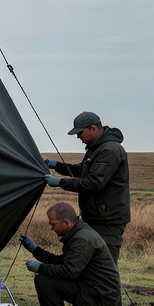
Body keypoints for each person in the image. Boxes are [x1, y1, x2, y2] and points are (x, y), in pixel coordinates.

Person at [20, 202, 123, 306]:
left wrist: (40, 267)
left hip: (99, 295)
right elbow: (61, 262)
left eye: (53, 224)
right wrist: (35, 250)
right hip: (85, 287)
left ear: (67, 222)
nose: (52, 228)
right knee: (44, 281)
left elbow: (69, 271)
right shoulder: (77, 234)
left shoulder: (82, 239)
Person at [43, 111, 129, 267]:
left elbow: (93, 183)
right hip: (95, 218)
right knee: (90, 266)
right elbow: (81, 170)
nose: (78, 137)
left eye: (80, 132)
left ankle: (107, 292)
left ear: (93, 128)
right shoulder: (95, 148)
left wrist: (60, 182)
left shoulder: (110, 150)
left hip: (107, 222)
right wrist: (56, 166)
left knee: (104, 268)